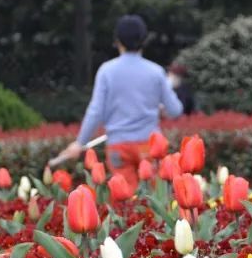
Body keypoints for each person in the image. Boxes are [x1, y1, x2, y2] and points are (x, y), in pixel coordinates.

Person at [57, 15, 183, 184]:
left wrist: (80, 142)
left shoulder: (106, 71)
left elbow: (96, 111)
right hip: (150, 145)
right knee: (156, 198)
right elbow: (175, 110)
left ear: (117, 41)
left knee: (125, 202)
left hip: (118, 146)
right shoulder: (156, 72)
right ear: (144, 40)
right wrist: (160, 109)